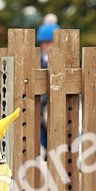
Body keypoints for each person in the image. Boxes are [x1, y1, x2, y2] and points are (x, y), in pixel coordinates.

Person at [37, 20, 60, 150]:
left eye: (49, 42)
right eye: (43, 43)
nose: (45, 46)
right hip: (41, 104)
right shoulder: (38, 61)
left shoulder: (65, 60)